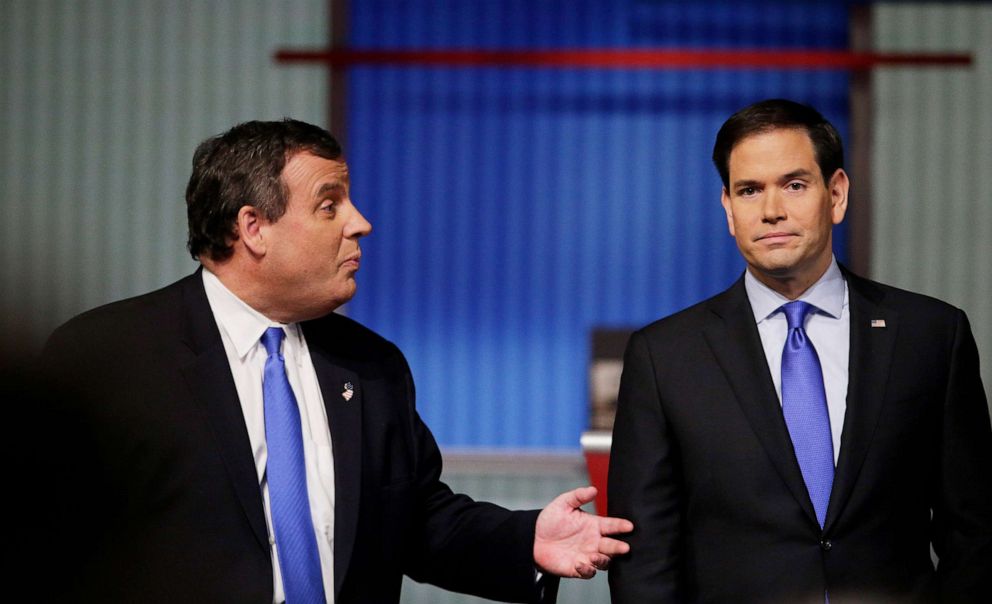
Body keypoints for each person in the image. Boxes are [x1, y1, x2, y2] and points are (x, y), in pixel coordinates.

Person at [40, 119, 632, 603]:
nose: (360, 223)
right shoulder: (104, 358)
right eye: (330, 205)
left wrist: (526, 538)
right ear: (254, 228)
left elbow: (416, 521)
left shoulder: (371, 366)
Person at [608, 99, 992, 603]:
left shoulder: (932, 335)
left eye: (794, 185)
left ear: (836, 194)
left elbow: (976, 531)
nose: (771, 210)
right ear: (728, 208)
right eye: (749, 190)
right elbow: (645, 563)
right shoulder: (665, 357)